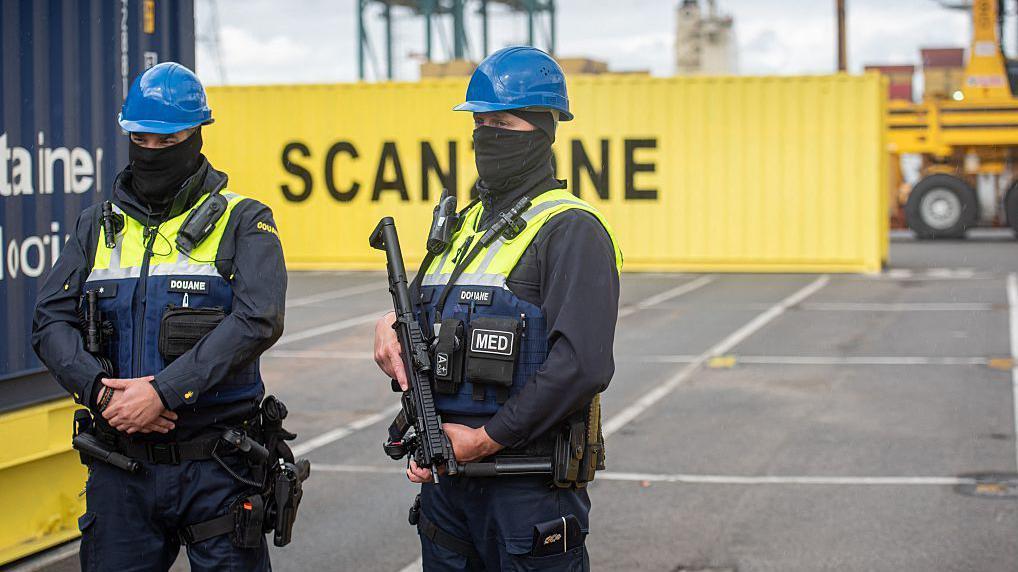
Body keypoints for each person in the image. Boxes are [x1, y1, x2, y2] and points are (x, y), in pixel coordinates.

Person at [373, 46, 622, 571]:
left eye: (501, 122)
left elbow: (582, 365)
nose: (486, 135)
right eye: (479, 121)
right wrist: (389, 327)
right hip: (448, 487)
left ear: (541, 129)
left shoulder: (572, 230)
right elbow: (421, 316)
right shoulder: (464, 225)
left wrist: (484, 440)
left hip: (525, 491)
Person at [31, 62, 286, 572]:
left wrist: (163, 393)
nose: (152, 151)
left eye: (168, 142)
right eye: (141, 138)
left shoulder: (245, 220)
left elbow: (259, 317)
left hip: (216, 467)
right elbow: (49, 320)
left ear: (197, 135)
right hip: (119, 466)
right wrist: (100, 391)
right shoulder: (95, 226)